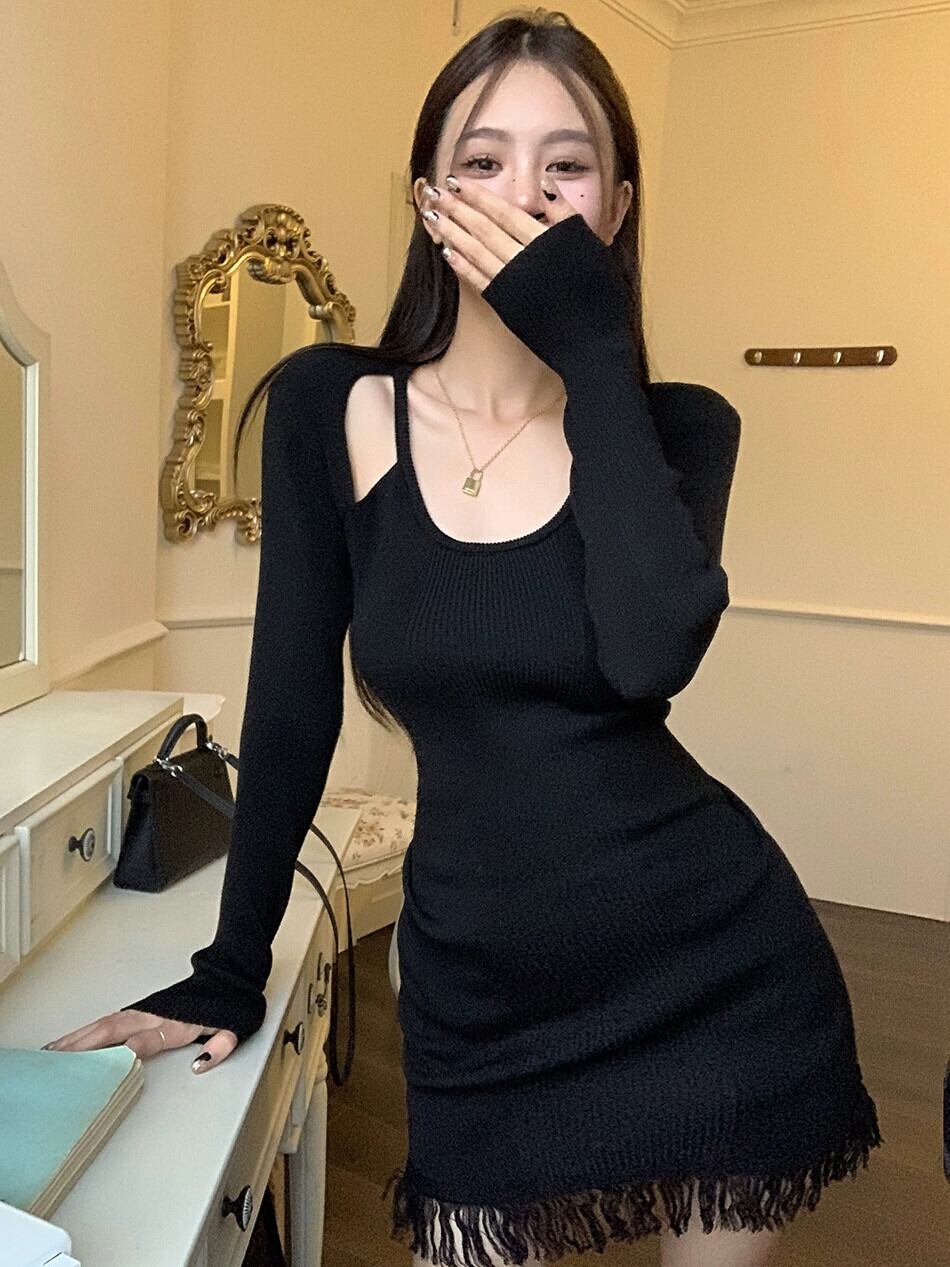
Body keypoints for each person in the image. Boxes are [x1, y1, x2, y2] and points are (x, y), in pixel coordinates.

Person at [43, 10, 882, 1266]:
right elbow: (291, 706)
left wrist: (591, 344)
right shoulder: (330, 405)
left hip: (712, 969)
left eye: (567, 165)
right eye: (482, 159)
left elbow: (650, 654)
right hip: (475, 986)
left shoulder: (680, 428)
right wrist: (231, 965)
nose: (524, 194)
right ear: (428, 195)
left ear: (615, 209)